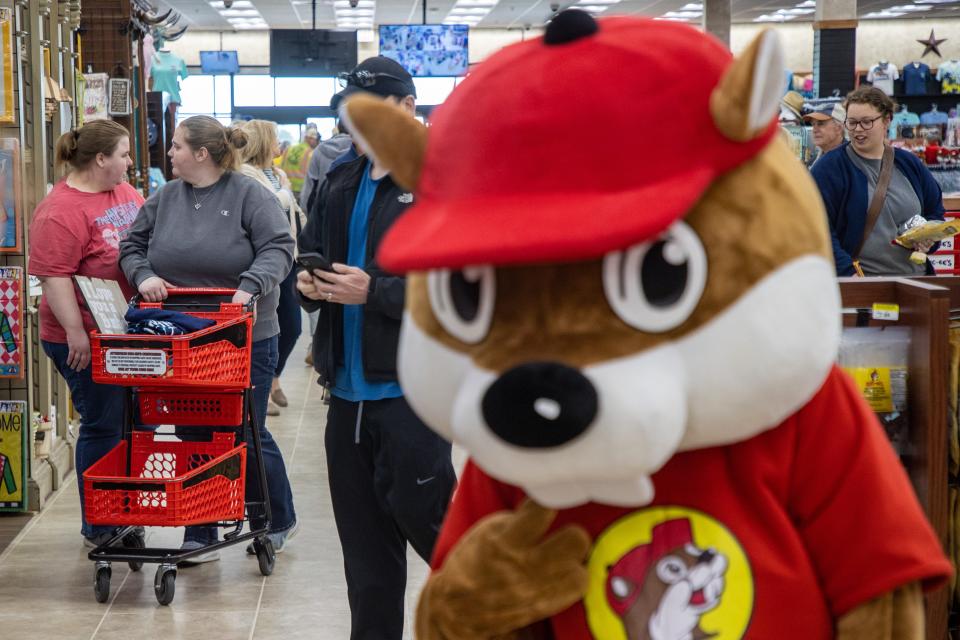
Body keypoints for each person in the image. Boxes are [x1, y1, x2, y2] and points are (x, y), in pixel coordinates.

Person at [297, 56, 456, 640]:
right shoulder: (340, 178)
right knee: (366, 563)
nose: (354, 121)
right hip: (345, 395)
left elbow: (464, 289)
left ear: (409, 110)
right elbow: (313, 252)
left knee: (439, 534)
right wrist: (309, 286)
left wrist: (380, 293)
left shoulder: (441, 181)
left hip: (413, 394)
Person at [119, 115, 298, 562]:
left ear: (202, 153)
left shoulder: (248, 194)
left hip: (245, 336)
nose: (170, 152)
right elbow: (132, 246)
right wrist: (144, 276)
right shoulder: (165, 197)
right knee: (192, 432)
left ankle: (275, 518)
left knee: (244, 429)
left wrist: (252, 284)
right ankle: (201, 529)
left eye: (177, 146)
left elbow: (280, 247)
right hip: (183, 340)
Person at [27, 120, 145, 547]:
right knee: (103, 424)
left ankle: (125, 510)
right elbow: (54, 278)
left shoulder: (124, 193)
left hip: (124, 333)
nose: (130, 162)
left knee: (132, 426)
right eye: (124, 154)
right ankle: (101, 525)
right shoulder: (59, 212)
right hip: (81, 337)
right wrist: (78, 333)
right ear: (100, 159)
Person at [811, 87, 945, 277]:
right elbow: (818, 228)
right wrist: (848, 273)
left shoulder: (909, 164)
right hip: (862, 288)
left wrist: (929, 238)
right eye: (852, 122)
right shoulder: (828, 169)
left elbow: (935, 211)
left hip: (916, 284)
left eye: (866, 122)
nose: (858, 129)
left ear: (887, 120)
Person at [238, 119, 304, 416]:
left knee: (292, 326)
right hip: (262, 262)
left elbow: (293, 212)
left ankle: (273, 378)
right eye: (275, 137)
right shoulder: (246, 174)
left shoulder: (277, 174)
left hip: (288, 257)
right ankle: (264, 387)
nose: (280, 142)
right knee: (267, 326)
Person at [299, 123, 353, 367]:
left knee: (318, 282)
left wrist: (312, 225)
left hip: (324, 228)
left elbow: (308, 193)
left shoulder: (321, 152)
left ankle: (315, 342)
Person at [278, 125, 319, 200]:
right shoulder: (310, 152)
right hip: (301, 189)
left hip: (286, 187)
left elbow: (281, 166)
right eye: (315, 140)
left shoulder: (289, 148)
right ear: (309, 139)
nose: (316, 142)